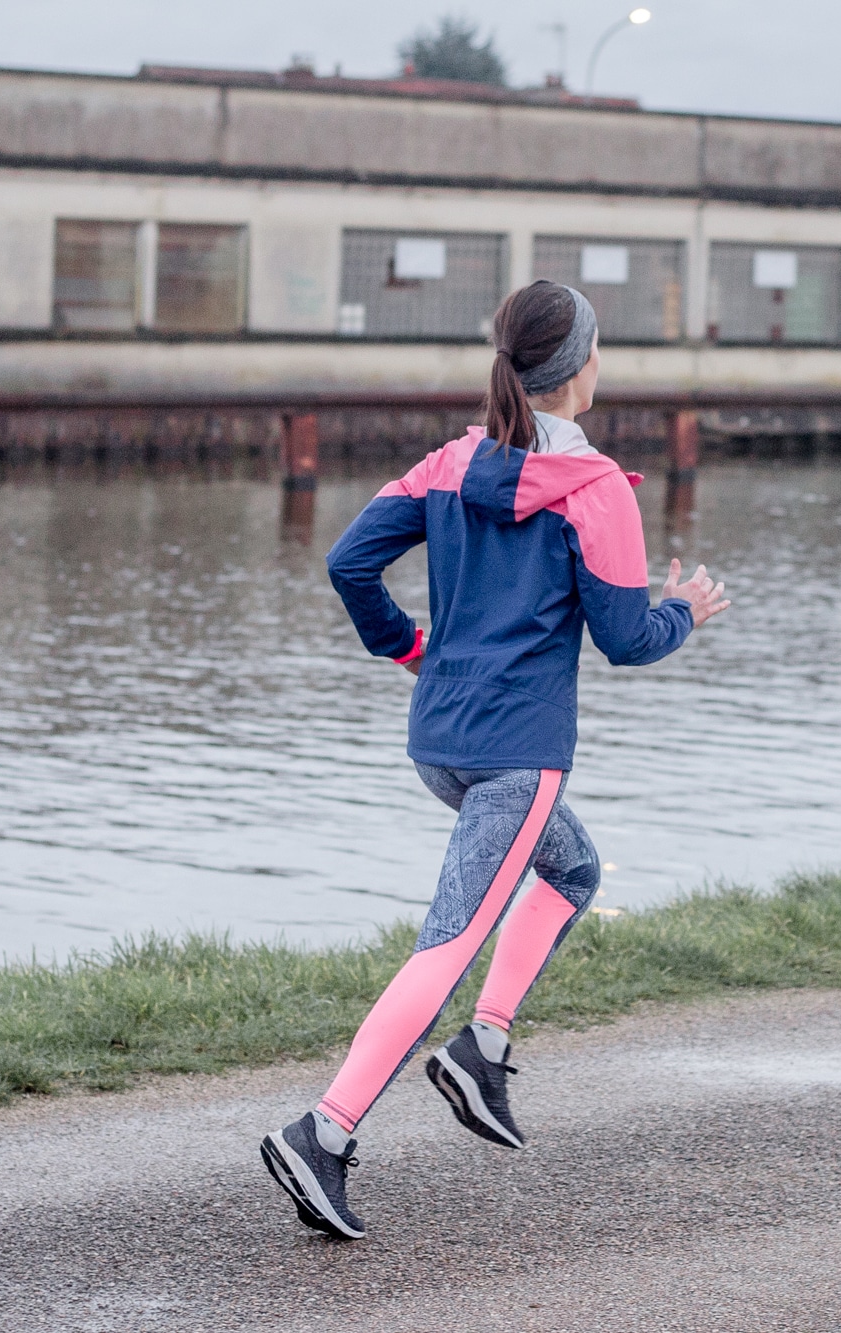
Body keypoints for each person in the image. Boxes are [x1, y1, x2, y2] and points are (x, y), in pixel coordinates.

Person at [260, 280, 728, 1239]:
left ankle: (481, 1050)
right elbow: (628, 639)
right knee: (449, 940)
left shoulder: (448, 462)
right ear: (580, 367)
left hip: (440, 744)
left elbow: (349, 563)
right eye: (598, 348)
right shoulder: (594, 488)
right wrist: (682, 609)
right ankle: (326, 1133)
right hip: (518, 756)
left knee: (573, 867)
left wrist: (409, 649)